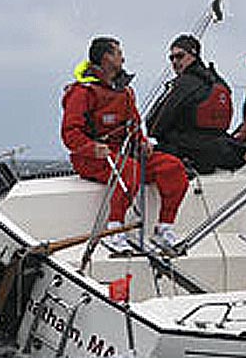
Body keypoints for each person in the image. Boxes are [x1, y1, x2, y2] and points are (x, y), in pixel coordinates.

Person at [61, 36, 188, 253]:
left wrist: (142, 143)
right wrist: (93, 148)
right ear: (106, 57)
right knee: (129, 171)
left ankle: (164, 228)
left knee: (173, 168)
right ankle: (114, 229)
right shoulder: (83, 92)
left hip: (125, 152)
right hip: (92, 157)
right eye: (118, 53)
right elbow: (70, 133)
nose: (123, 57)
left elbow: (135, 126)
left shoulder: (126, 92)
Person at [146, 34, 246, 175]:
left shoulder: (184, 84)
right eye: (171, 58)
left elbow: (155, 126)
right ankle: (245, 153)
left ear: (193, 55)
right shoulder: (217, 81)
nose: (174, 61)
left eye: (180, 56)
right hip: (219, 150)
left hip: (185, 151)